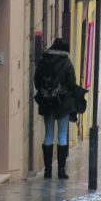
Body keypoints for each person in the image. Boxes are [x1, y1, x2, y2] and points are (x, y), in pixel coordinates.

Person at [34, 38, 76, 179]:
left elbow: (36, 81)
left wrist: (46, 91)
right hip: (62, 102)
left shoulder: (43, 60)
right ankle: (61, 170)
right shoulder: (66, 62)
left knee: (48, 134)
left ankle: (47, 171)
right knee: (62, 134)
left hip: (47, 101)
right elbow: (71, 83)